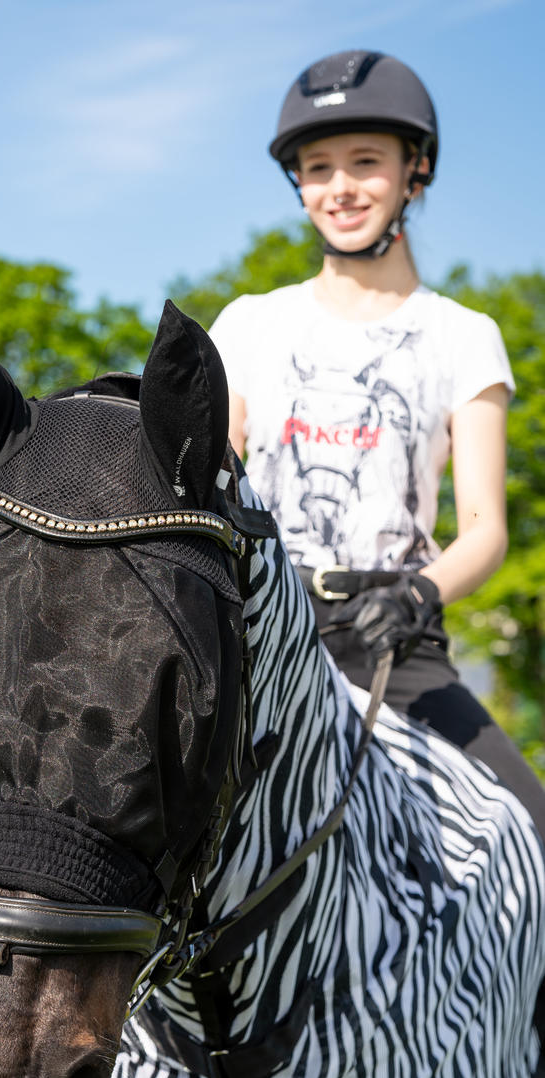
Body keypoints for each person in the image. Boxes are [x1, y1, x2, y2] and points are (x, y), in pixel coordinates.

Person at [209, 49, 545, 839]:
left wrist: (417, 595)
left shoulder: (464, 336)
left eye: (366, 162)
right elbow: (209, 487)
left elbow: (488, 530)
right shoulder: (250, 324)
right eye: (318, 167)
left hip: (400, 639)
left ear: (414, 172)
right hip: (263, 626)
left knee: (534, 830)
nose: (341, 187)